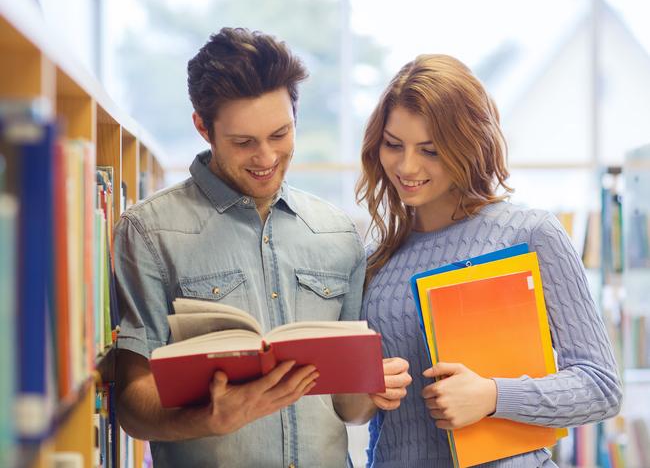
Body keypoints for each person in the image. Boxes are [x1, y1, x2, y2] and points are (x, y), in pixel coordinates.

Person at [113, 27, 411, 468]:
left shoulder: (338, 233)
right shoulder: (149, 231)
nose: (267, 157)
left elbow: (349, 409)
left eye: (280, 134)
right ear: (202, 127)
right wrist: (209, 418)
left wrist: (373, 389)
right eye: (243, 142)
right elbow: (132, 404)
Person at [356, 54, 622, 467]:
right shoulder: (376, 262)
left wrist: (493, 396)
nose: (407, 166)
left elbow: (600, 386)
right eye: (394, 145)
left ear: (468, 145)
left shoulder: (530, 233)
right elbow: (362, 411)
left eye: (430, 150)